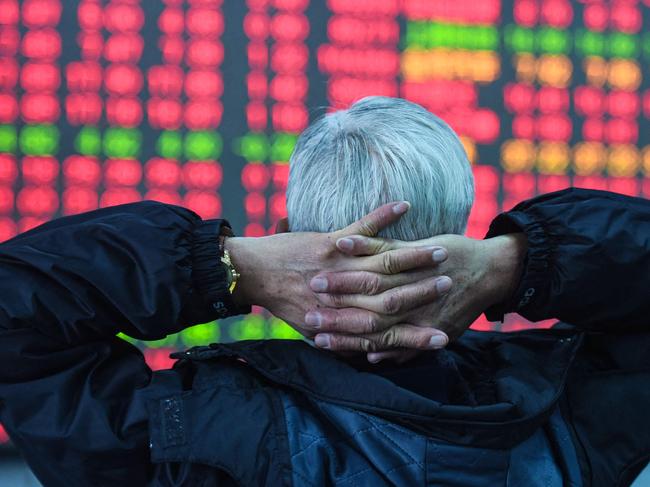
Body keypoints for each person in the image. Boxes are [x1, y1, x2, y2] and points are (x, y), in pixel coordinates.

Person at [0, 99, 647, 486]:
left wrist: (227, 266)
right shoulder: (567, 410)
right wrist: (519, 260)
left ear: (286, 238)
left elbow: (15, 307)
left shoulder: (196, 432)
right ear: (465, 239)